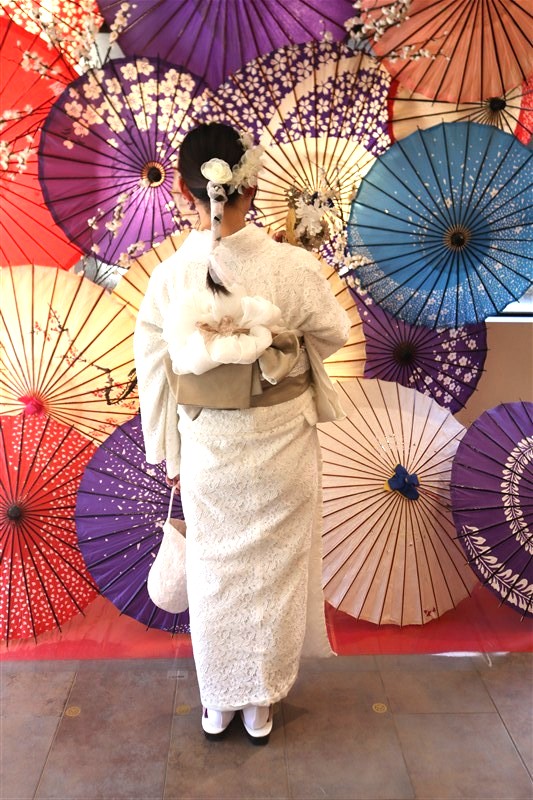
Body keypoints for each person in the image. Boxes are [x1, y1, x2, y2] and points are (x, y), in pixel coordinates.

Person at [134, 122, 351, 745]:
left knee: (216, 570)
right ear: (251, 187)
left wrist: (165, 452)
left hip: (209, 444)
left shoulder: (171, 277)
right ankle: (260, 703)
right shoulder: (293, 265)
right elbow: (333, 333)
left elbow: (155, 371)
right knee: (276, 570)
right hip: (283, 438)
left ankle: (217, 702)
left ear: (183, 190)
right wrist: (279, 344)